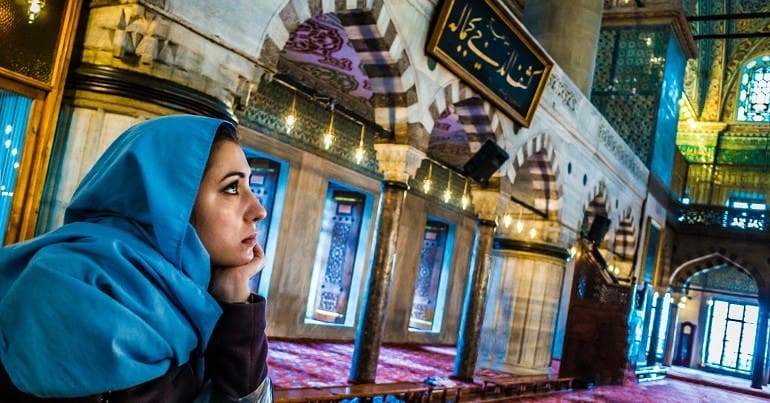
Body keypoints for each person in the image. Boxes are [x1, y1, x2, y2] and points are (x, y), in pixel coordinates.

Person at [0, 115, 273, 402]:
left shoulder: (179, 297)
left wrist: (238, 304)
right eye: (232, 188)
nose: (258, 210)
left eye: (250, 187)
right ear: (170, 202)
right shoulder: (82, 290)